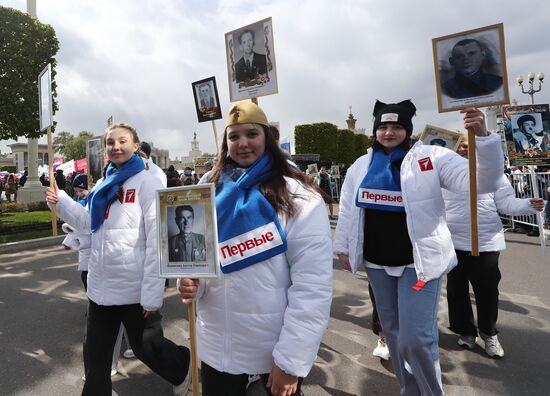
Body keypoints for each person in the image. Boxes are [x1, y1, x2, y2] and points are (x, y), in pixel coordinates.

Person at [334, 99, 504, 395]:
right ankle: (409, 389)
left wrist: (485, 139)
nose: (388, 132)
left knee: (416, 339)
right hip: (377, 265)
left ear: (408, 129)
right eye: (383, 126)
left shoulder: (434, 157)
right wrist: (343, 247)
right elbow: (348, 209)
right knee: (395, 336)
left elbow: (483, 182)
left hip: (419, 266)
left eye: (396, 126)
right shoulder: (360, 166)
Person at [178, 101, 333, 396]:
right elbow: (196, 259)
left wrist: (290, 362)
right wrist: (190, 283)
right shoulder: (205, 190)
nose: (243, 143)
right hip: (215, 350)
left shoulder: (300, 197)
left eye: (251, 134)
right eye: (234, 136)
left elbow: (312, 288)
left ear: (268, 139)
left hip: (270, 355)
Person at [45, 122, 191, 396]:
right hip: (101, 287)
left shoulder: (148, 183)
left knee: (147, 347)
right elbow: (90, 224)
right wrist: (61, 202)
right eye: (111, 142)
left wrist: (151, 294)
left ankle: (184, 367)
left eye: (123, 141)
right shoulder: (102, 183)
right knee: (96, 355)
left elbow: (157, 240)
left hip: (133, 288)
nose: (116, 146)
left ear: (135, 146)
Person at [444, 134, 543, 358]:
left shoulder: (493, 172)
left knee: (487, 290)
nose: (463, 150)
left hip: (486, 241)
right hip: (453, 241)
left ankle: (489, 333)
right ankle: (466, 332)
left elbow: (506, 202)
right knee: (456, 290)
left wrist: (528, 205)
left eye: (468, 146)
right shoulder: (446, 172)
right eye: (460, 146)